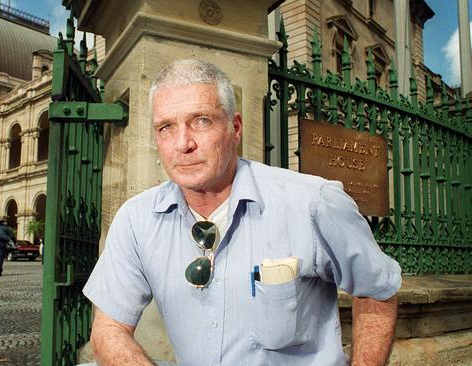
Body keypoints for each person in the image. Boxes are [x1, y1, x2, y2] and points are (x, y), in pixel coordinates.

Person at [82, 59, 401, 365]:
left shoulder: (313, 204)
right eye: (166, 127)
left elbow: (377, 294)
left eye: (201, 121)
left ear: (235, 128)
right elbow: (109, 329)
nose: (182, 143)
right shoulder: (136, 220)